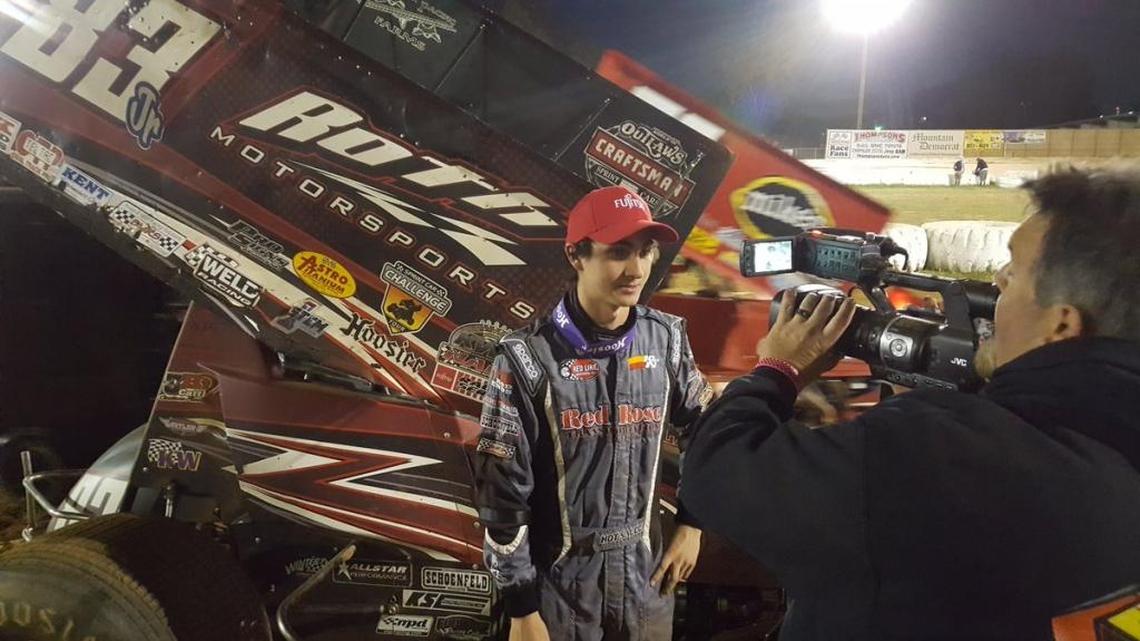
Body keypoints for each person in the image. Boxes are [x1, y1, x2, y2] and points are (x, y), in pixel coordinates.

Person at [679, 166, 1140, 641]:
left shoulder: (929, 452)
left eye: (1014, 273)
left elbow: (717, 473)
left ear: (1061, 325)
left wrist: (778, 368)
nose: (997, 283)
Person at [476, 186, 713, 641]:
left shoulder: (666, 340)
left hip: (646, 584)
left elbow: (706, 431)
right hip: (557, 595)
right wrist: (523, 610)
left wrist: (693, 524)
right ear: (576, 256)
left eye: (645, 252)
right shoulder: (526, 358)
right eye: (618, 252)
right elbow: (502, 497)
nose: (637, 269)